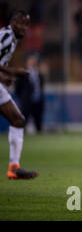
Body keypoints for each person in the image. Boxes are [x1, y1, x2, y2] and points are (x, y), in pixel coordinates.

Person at [0, 10, 38, 179]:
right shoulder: (6, 36)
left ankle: (14, 167)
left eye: (27, 25)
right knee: (18, 120)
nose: (24, 28)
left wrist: (3, 78)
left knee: (18, 120)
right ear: (13, 22)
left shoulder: (11, 39)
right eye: (22, 24)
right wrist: (14, 71)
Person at [15, 53, 45, 133]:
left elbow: (41, 87)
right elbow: (17, 88)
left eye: (34, 59)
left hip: (38, 101)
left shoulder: (40, 74)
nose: (33, 61)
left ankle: (39, 136)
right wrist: (23, 97)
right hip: (27, 101)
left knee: (38, 121)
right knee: (24, 120)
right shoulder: (23, 73)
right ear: (27, 61)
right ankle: (21, 136)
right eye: (31, 59)